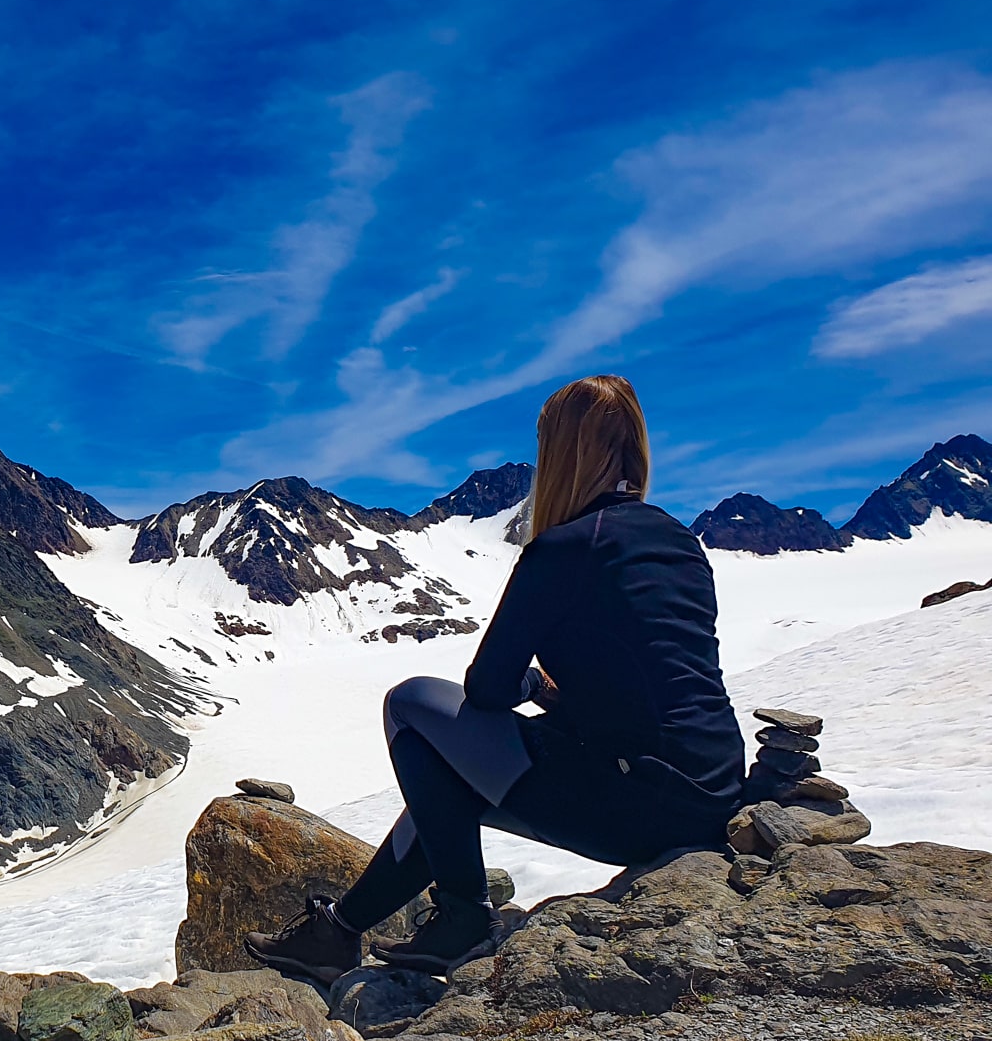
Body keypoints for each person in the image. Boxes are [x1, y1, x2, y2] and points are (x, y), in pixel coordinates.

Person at [246, 374, 745, 982]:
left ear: (559, 455)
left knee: (411, 705)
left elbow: (485, 687)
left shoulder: (566, 549)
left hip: (641, 804)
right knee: (454, 778)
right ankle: (339, 932)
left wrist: (535, 688)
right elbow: (649, 686)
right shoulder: (680, 543)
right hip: (713, 793)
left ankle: (461, 917)